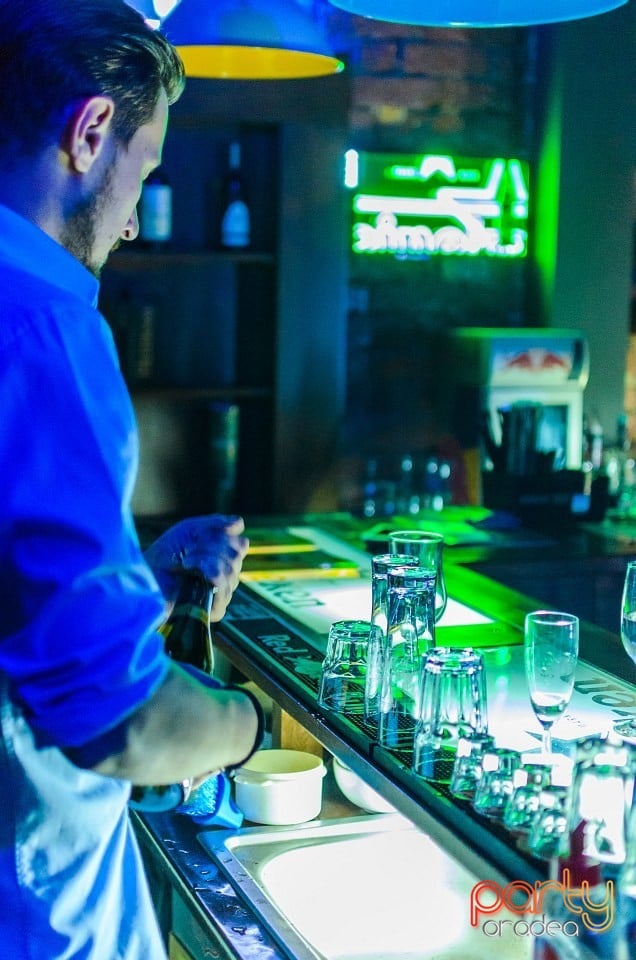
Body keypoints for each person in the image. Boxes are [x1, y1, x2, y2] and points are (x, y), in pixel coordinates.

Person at [0, 1, 263, 957]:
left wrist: (139, 579)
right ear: (91, 131)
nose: (137, 221)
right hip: (37, 911)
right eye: (142, 173)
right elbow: (118, 723)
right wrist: (248, 724)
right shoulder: (48, 332)